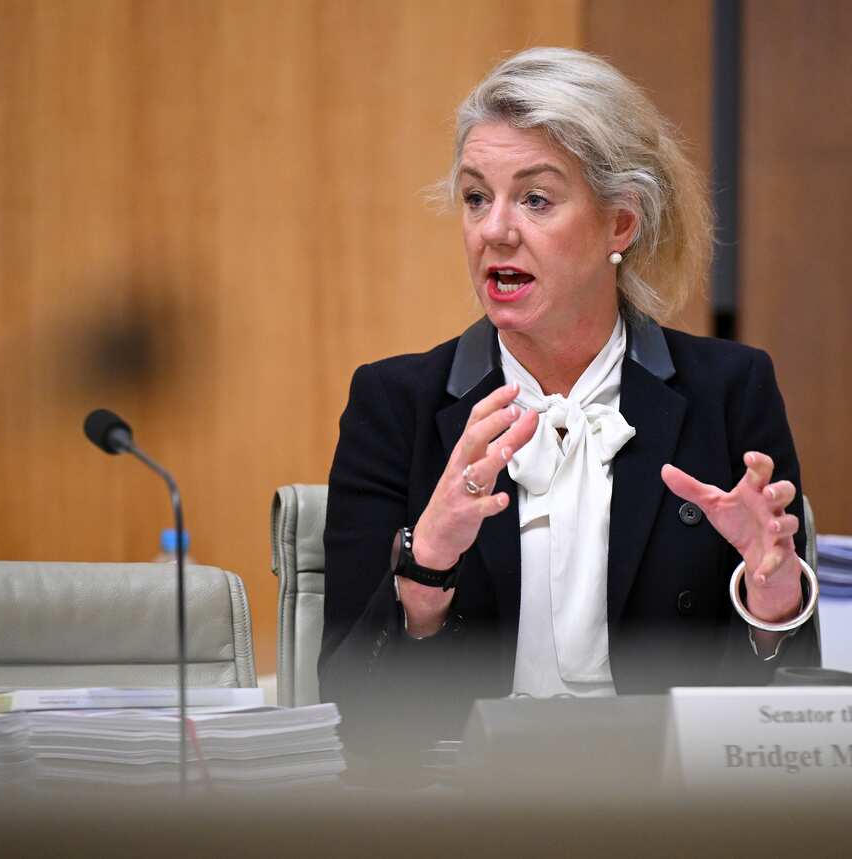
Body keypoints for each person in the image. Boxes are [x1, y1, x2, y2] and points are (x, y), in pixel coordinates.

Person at [318, 47, 820, 762]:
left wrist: (770, 606)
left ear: (621, 224)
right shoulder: (394, 404)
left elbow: (789, 713)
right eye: (475, 197)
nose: (495, 230)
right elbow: (351, 710)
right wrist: (427, 562)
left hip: (665, 808)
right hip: (463, 812)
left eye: (536, 198)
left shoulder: (728, 392)